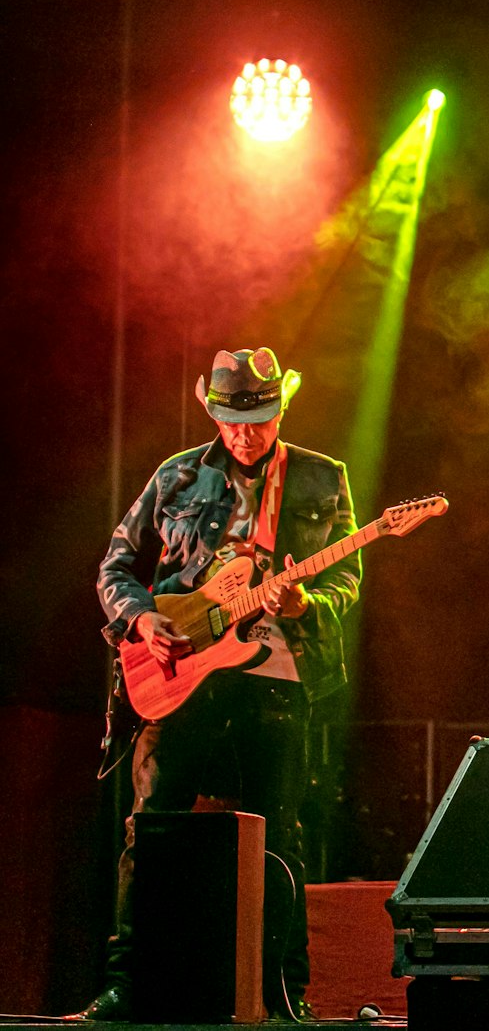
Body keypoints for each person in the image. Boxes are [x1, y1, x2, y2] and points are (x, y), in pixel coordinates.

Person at [84, 347, 361, 1022]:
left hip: (277, 672)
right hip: (181, 671)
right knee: (152, 827)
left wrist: (306, 605)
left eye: (259, 421)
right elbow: (116, 565)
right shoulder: (177, 475)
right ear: (212, 412)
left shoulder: (322, 476)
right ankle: (128, 984)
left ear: (281, 410)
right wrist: (143, 619)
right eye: (232, 422)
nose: (245, 435)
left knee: (280, 834)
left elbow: (347, 579)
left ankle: (284, 992)